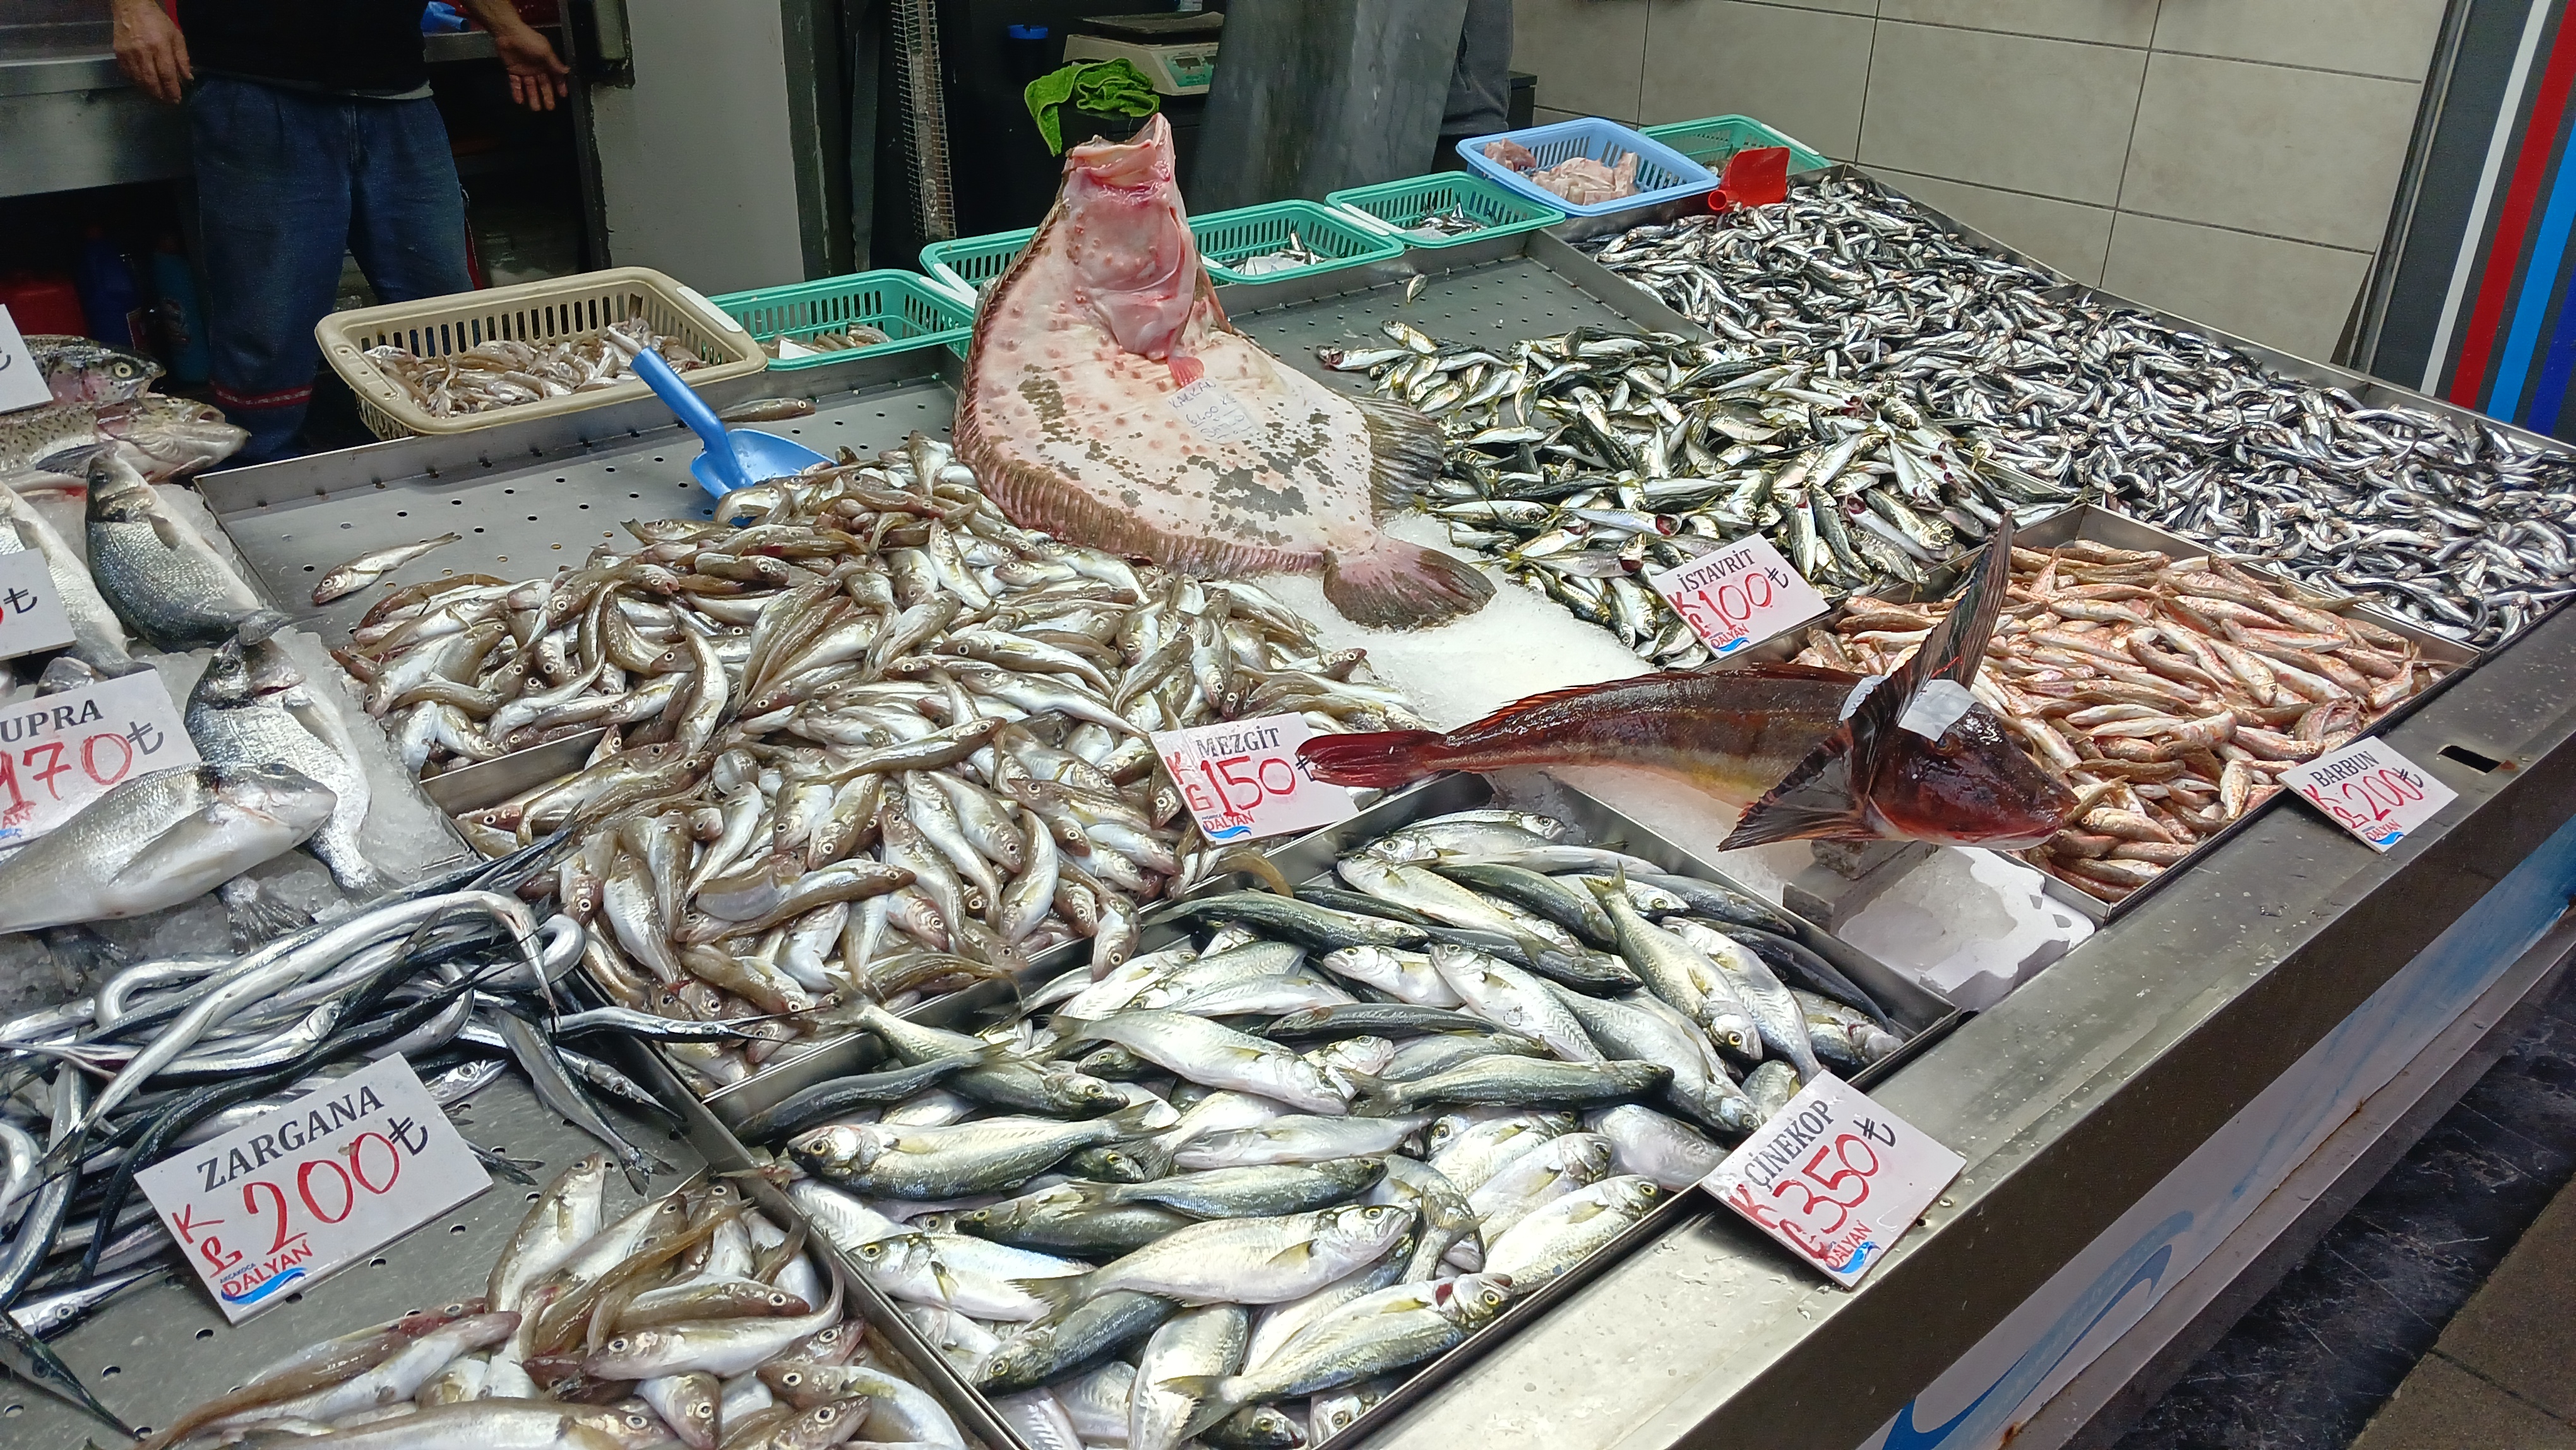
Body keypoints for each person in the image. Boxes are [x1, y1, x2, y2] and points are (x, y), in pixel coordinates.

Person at [109, 0, 571, 462]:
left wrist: (505, 26)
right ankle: (265, 479)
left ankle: (471, 452)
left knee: (444, 307)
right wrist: (134, 9)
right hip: (257, 85)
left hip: (398, 91)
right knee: (268, 322)